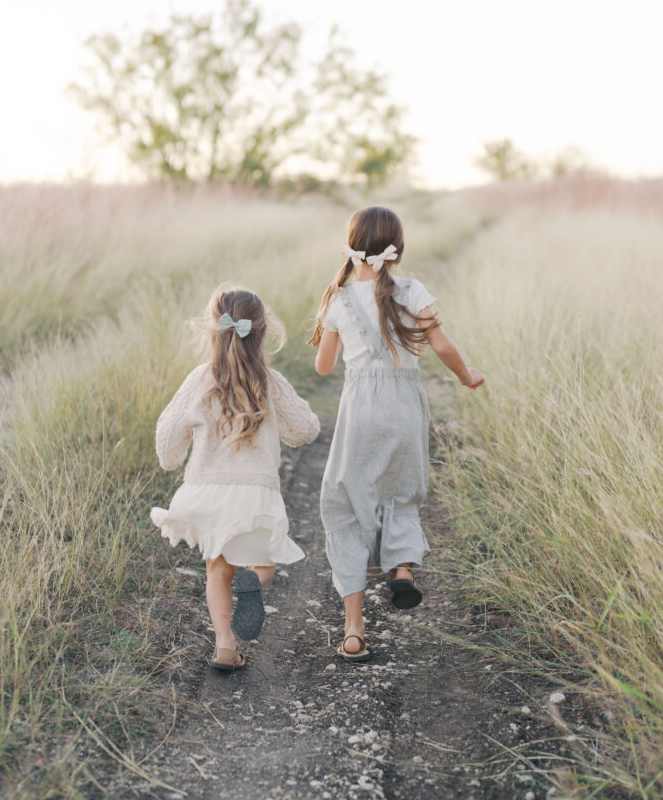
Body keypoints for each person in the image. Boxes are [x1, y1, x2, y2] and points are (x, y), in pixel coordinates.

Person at [310, 206, 484, 662]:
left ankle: (352, 629)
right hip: (405, 405)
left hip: (359, 410)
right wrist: (467, 376)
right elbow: (441, 344)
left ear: (351, 245)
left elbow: (324, 367)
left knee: (346, 502)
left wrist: (336, 336)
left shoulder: (338, 298)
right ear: (397, 247)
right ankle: (401, 568)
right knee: (402, 490)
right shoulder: (411, 289)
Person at [152, 285, 319, 672]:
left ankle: (225, 646)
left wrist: (172, 460)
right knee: (265, 562)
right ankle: (254, 584)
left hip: (207, 491)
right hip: (255, 494)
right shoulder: (270, 382)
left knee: (216, 569)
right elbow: (304, 431)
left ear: (213, 332)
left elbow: (168, 434)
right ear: (261, 333)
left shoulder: (200, 379)